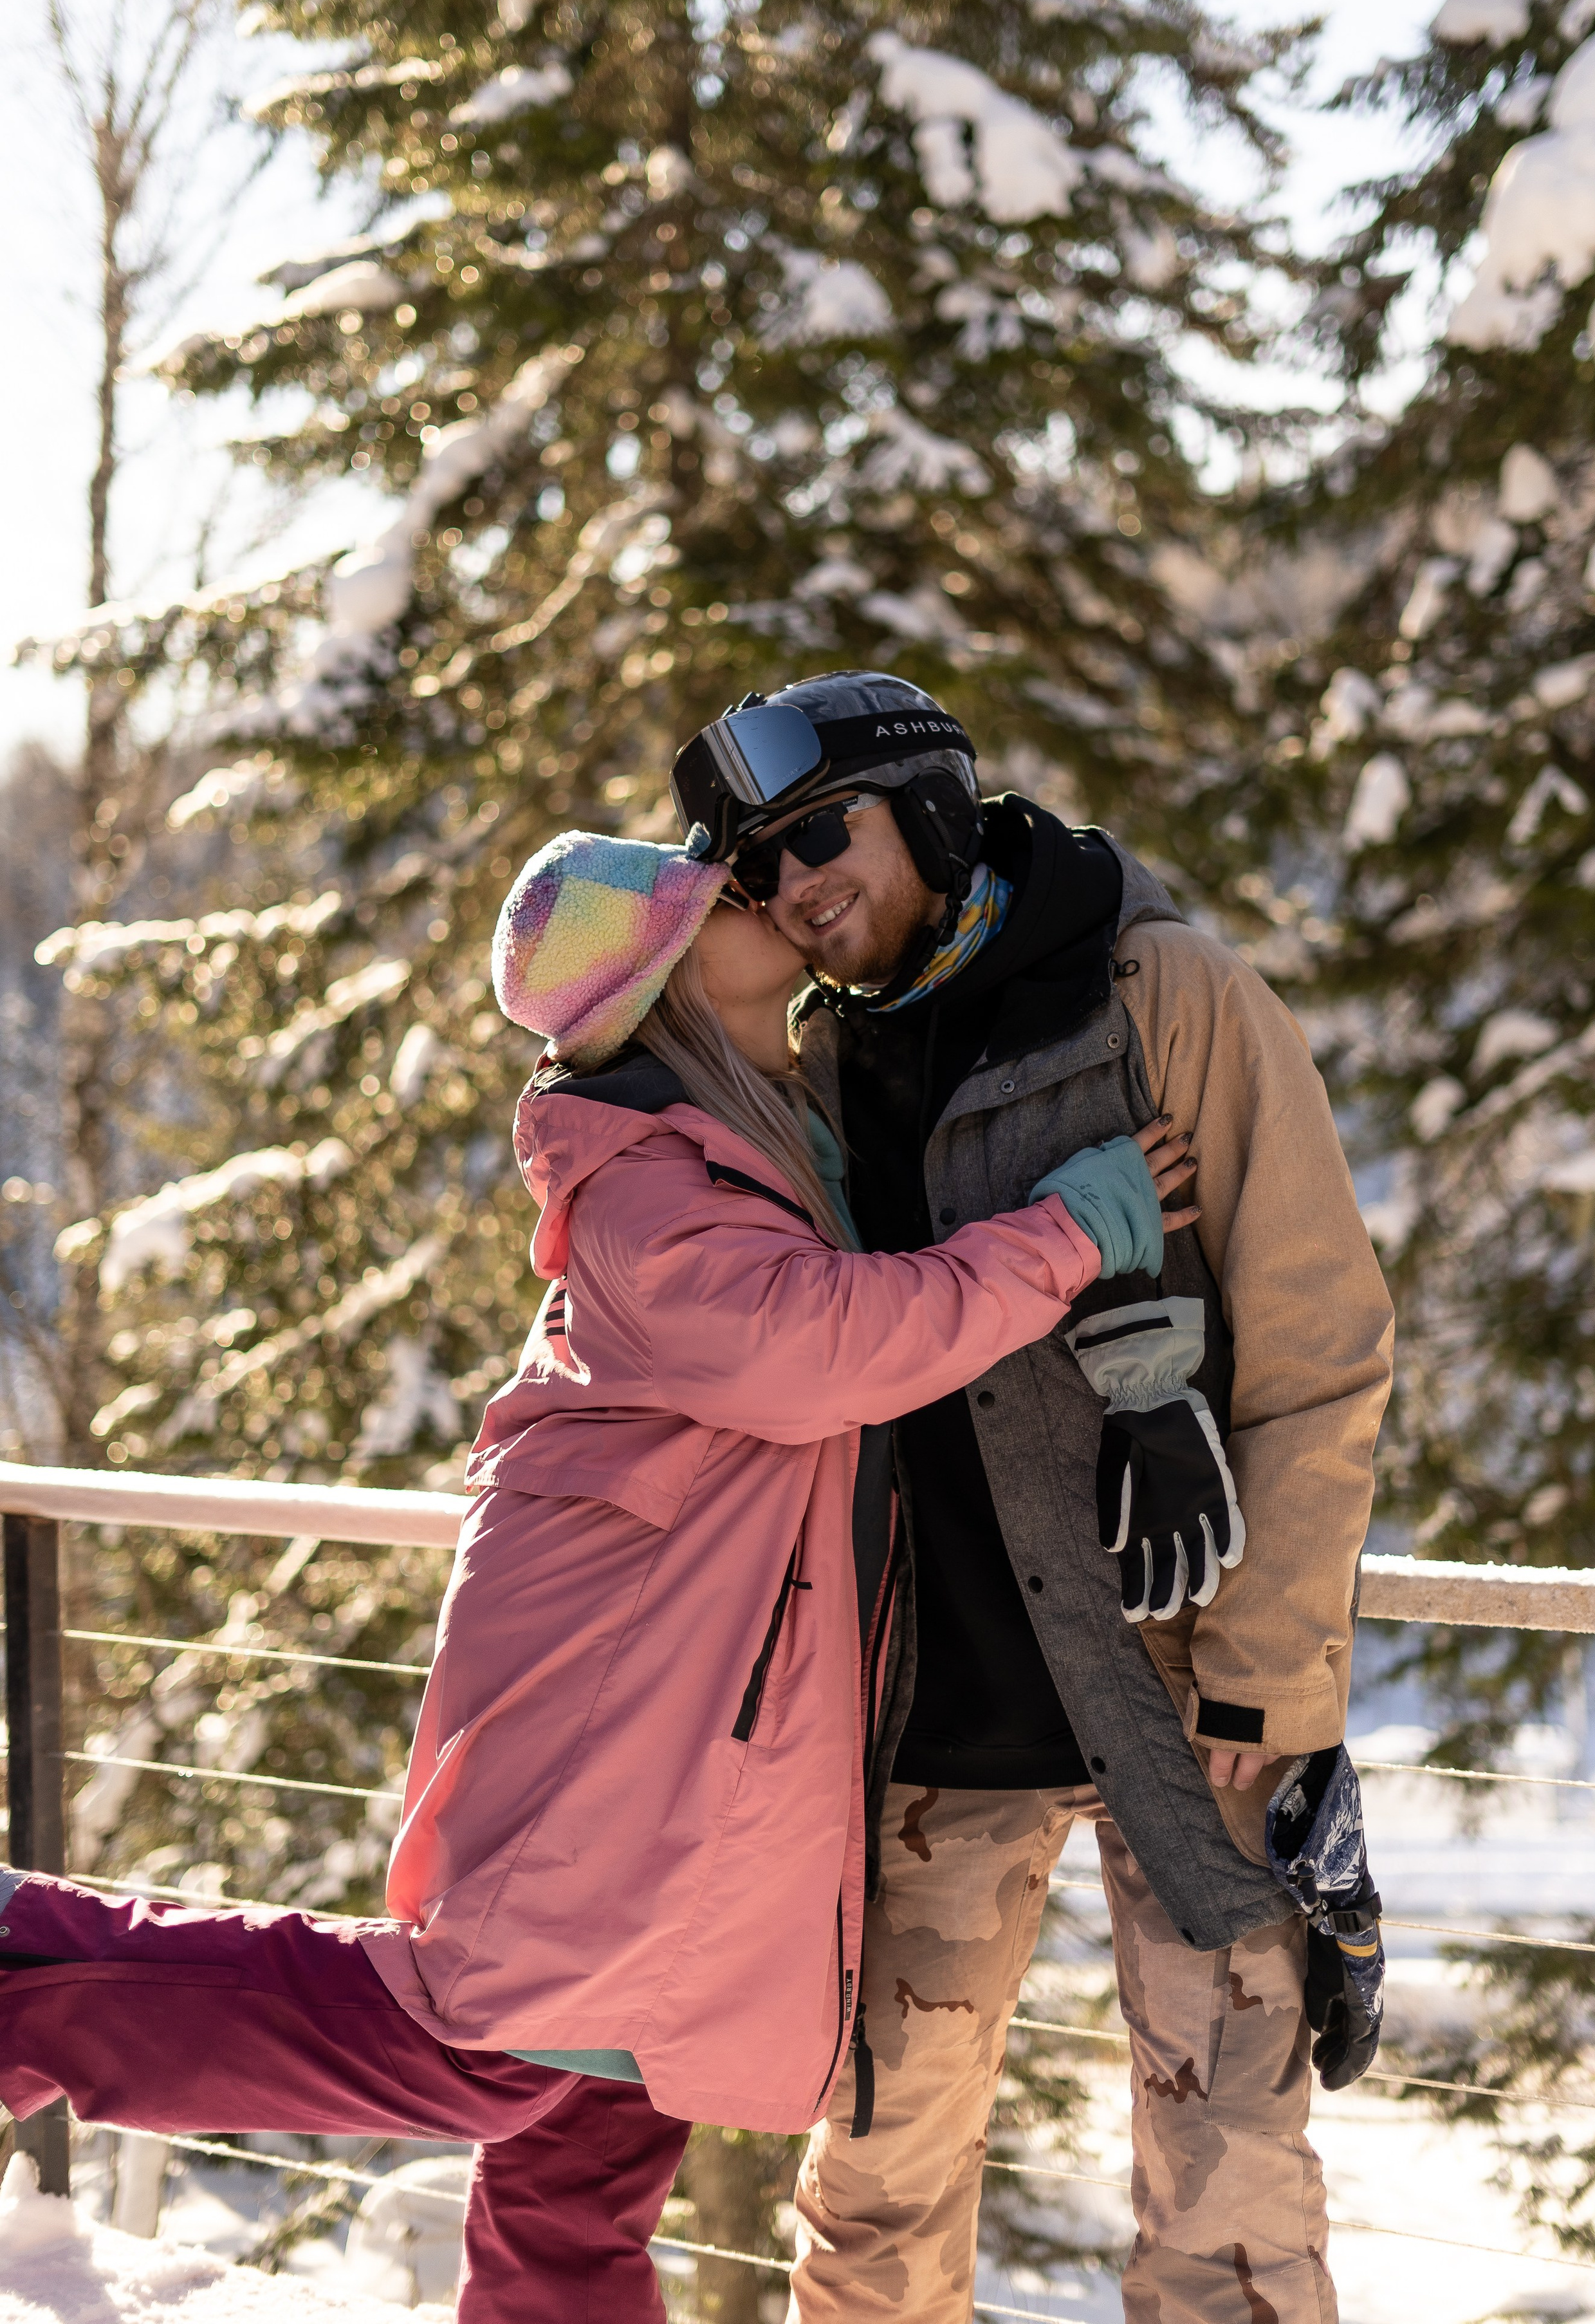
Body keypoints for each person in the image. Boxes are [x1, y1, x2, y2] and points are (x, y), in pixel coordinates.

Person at [0, 828, 1198, 2324]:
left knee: (597, 2137)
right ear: (673, 978)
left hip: (703, 1716)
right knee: (485, 2053)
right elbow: (825, 1345)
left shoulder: (765, 1128)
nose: (759, 899)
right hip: (619, 1713)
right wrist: (1070, 1232)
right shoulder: (647, 1174)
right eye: (718, 901)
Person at [668, 673, 1395, 2324]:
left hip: (1186, 1705)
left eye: (815, 838)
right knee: (870, 2203)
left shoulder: (1163, 993)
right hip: (935, 1715)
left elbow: (1321, 1343)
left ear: (926, 806)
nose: (793, 890)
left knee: (1231, 2218)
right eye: (757, 871)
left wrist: (1273, 1678)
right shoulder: (811, 1068)